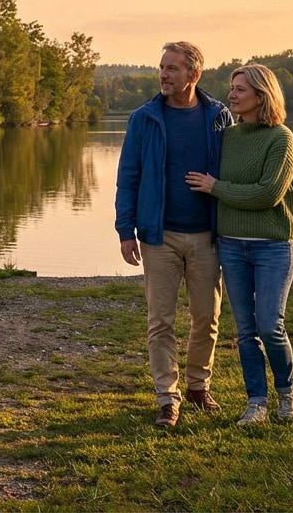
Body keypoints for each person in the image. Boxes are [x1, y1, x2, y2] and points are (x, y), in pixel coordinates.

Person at [115, 41, 233, 428]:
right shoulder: (144, 118)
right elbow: (128, 176)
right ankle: (168, 398)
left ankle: (199, 386)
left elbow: (233, 173)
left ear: (193, 75)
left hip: (207, 236)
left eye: (172, 68)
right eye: (161, 67)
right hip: (158, 235)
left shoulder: (219, 117)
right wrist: (125, 229)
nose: (164, 75)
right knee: (160, 320)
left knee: (207, 317)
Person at [186, 62, 293, 426]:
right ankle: (256, 403)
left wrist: (215, 187)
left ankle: (287, 392)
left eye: (240, 90)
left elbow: (268, 194)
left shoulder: (281, 138)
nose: (231, 95)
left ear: (261, 96)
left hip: (272, 247)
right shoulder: (228, 138)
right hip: (232, 247)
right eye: (232, 87)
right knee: (246, 332)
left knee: (270, 326)